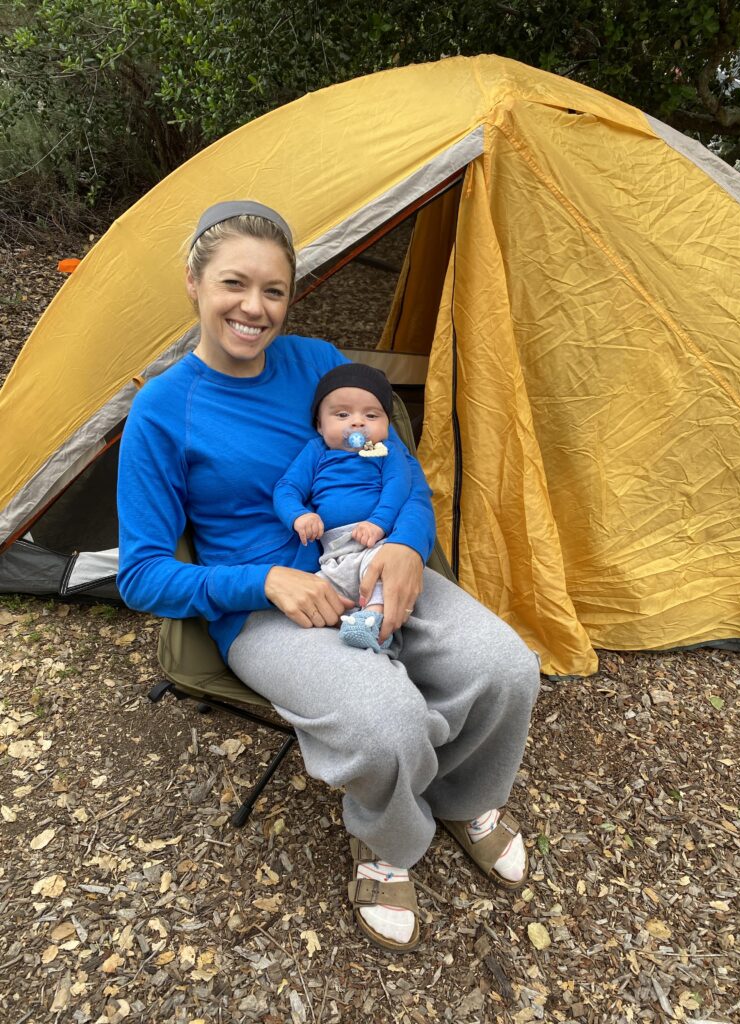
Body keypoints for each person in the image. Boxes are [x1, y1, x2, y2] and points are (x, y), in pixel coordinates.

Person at [117, 199, 541, 954]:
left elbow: (397, 465)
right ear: (193, 282)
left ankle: (465, 796)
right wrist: (266, 582)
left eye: (274, 290)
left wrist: (411, 543)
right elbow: (143, 575)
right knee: (385, 722)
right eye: (233, 284)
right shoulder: (161, 411)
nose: (254, 308)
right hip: (265, 609)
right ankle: (387, 844)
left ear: (291, 296)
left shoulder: (316, 364)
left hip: (369, 558)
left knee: (505, 666)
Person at [273, 362, 412, 652]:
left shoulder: (387, 452)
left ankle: (374, 623)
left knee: (378, 575)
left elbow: (398, 487)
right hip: (333, 550)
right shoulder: (316, 451)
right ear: (320, 425)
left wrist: (378, 522)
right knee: (322, 588)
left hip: (377, 541)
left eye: (371, 415)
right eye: (343, 414)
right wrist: (299, 516)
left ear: (387, 425)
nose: (358, 423)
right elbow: (287, 488)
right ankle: (353, 631)